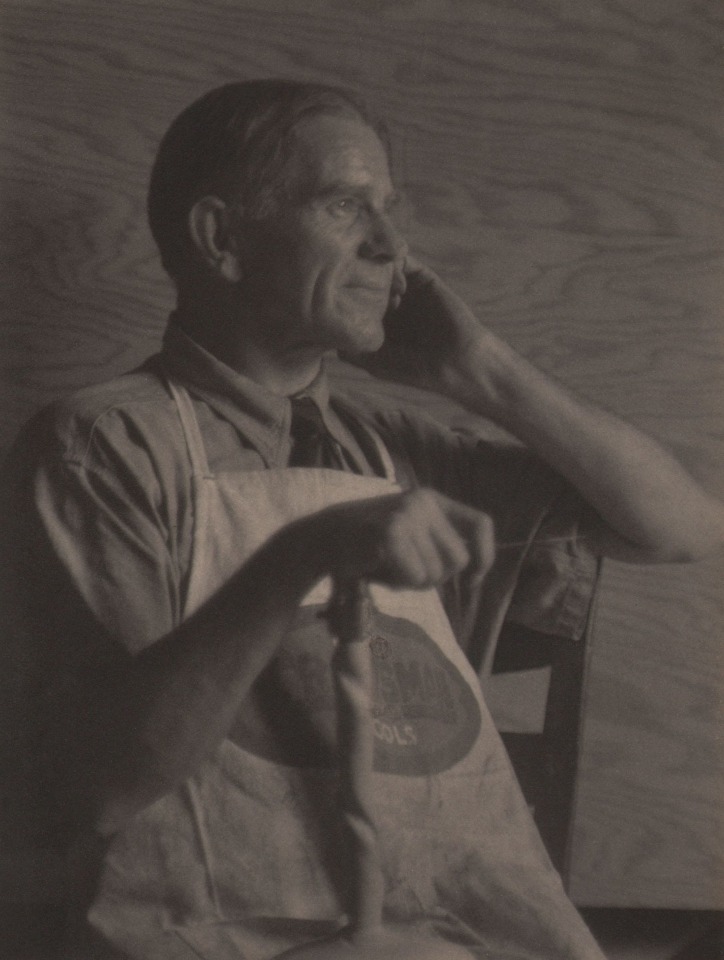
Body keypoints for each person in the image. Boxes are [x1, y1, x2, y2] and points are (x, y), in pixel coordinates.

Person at [2, 79, 723, 960]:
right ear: (221, 239)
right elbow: (96, 788)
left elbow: (684, 529)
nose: (393, 246)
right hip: (215, 937)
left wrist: (480, 371)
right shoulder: (103, 448)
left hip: (452, 935)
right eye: (347, 207)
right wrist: (305, 552)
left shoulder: (391, 447)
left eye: (389, 210)